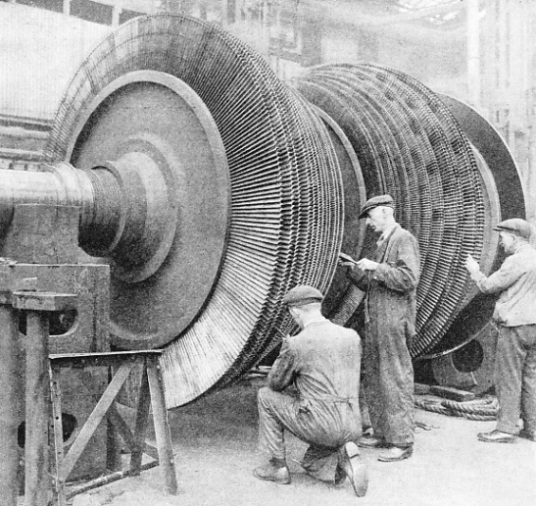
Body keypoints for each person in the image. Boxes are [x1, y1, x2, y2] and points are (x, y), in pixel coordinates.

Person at [253, 285, 368, 497]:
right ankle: (342, 459)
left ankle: (276, 467)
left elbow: (275, 384)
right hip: (352, 424)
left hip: (322, 425)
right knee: (311, 464)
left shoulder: (297, 343)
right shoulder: (351, 336)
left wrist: (284, 354)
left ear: (295, 312)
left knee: (265, 396)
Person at [340, 194, 420, 462]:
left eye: (371, 218)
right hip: (376, 322)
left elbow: (408, 279)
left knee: (395, 379)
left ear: (385, 213)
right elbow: (375, 285)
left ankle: (402, 441)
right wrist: (354, 270)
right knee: (375, 377)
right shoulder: (383, 243)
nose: (369, 224)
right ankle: (383, 433)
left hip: (393, 323)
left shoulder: (403, 239)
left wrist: (376, 267)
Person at [465, 218, 536, 443]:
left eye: (503, 237)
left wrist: (475, 271)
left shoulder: (516, 261)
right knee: (530, 377)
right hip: (533, 326)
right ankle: (533, 427)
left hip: (515, 325)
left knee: (508, 377)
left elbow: (488, 286)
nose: (501, 243)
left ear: (515, 238)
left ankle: (506, 428)